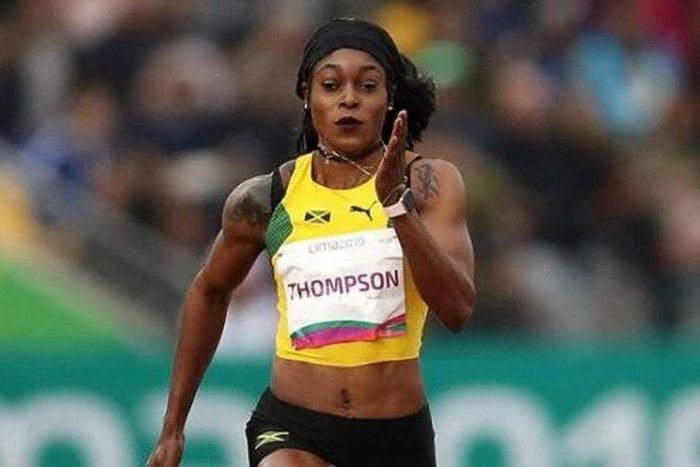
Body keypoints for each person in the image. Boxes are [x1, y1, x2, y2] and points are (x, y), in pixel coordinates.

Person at [147, 17, 476, 467]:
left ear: (389, 98)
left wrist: (398, 211)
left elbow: (457, 310)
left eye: (367, 86)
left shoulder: (428, 183)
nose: (348, 99)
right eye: (331, 85)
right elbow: (210, 290)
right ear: (307, 95)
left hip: (395, 434)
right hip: (293, 426)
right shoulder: (268, 199)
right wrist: (173, 425)